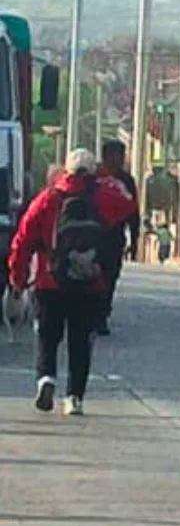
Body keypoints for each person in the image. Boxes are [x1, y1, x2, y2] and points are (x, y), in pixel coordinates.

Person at [8, 148, 137, 415]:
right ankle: (74, 397)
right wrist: (107, 180)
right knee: (80, 340)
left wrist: (18, 278)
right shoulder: (105, 196)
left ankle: (46, 379)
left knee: (47, 336)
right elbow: (129, 204)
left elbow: (22, 239)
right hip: (89, 280)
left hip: (49, 279)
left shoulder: (48, 198)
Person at [95, 140, 139, 336]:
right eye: (114, 155)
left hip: (114, 237)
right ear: (104, 156)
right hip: (92, 235)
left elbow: (133, 212)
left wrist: (135, 240)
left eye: (121, 156)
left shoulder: (127, 180)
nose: (118, 160)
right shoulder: (93, 177)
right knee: (92, 274)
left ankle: (102, 314)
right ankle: (89, 313)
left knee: (110, 276)